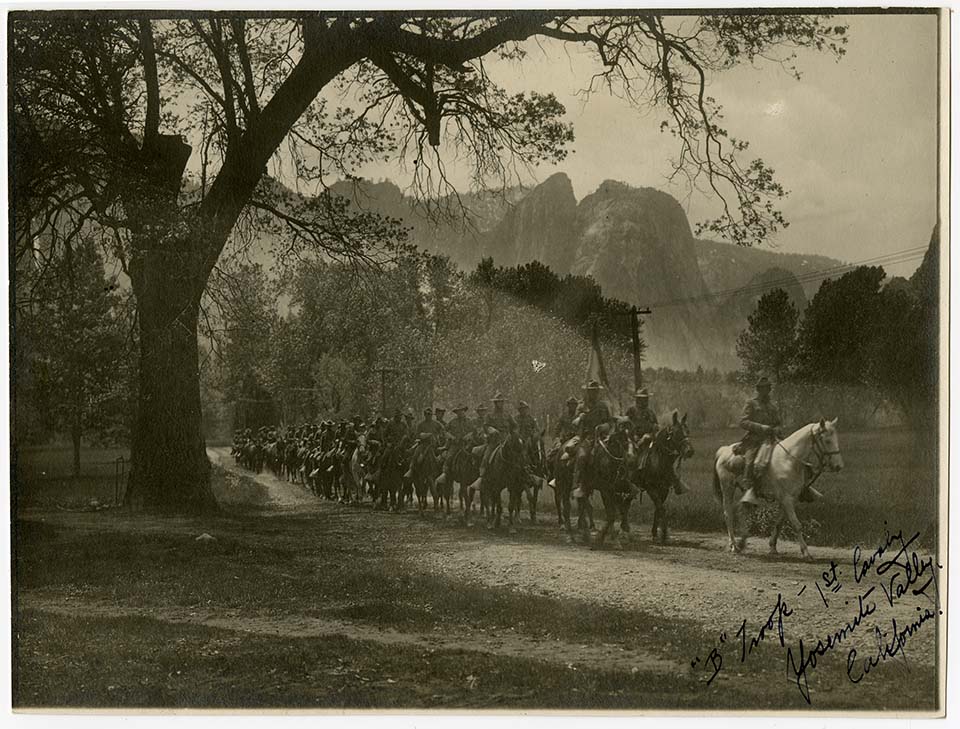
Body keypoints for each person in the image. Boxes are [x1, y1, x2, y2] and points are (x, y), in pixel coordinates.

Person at [739, 377, 782, 505]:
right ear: (758, 390)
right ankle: (749, 489)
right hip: (755, 439)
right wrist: (761, 427)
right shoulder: (751, 403)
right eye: (763, 388)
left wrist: (777, 429)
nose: (766, 391)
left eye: (768, 388)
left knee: (790, 454)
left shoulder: (773, 407)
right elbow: (743, 422)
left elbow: (778, 423)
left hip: (772, 439)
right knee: (751, 461)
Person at [571, 380, 612, 499]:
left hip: (603, 438)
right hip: (587, 438)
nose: (593, 393)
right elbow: (573, 423)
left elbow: (610, 422)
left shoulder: (603, 406)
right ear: (587, 392)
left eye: (595, 391)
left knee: (616, 452)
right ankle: (578, 484)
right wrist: (579, 418)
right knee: (582, 456)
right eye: (591, 391)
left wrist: (604, 426)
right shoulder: (582, 406)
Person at [403, 407, 445, 479]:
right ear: (424, 415)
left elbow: (443, 432)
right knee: (416, 454)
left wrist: (440, 437)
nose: (428, 416)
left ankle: (444, 472)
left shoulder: (437, 424)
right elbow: (417, 435)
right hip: (423, 445)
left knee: (444, 456)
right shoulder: (420, 424)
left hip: (435, 445)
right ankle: (411, 469)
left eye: (430, 414)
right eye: (427, 414)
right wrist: (424, 435)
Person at [437, 404, 473, 485]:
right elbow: (444, 431)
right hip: (455, 444)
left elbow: (473, 431)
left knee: (474, 456)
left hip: (466, 444)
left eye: (462, 411)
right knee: (449, 457)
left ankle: (476, 475)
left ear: (464, 411)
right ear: (456, 412)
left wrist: (468, 436)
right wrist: (451, 437)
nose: (460, 413)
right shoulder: (453, 422)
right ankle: (445, 473)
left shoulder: (469, 421)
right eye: (458, 411)